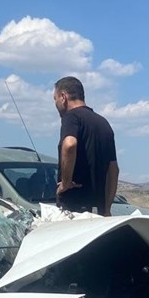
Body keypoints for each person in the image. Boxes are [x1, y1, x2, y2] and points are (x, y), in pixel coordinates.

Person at [53, 76, 119, 216]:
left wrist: (65, 183)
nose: (56, 104)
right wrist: (107, 209)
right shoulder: (103, 123)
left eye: (55, 99)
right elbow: (113, 169)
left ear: (63, 97)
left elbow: (70, 145)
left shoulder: (71, 117)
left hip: (73, 207)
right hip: (98, 211)